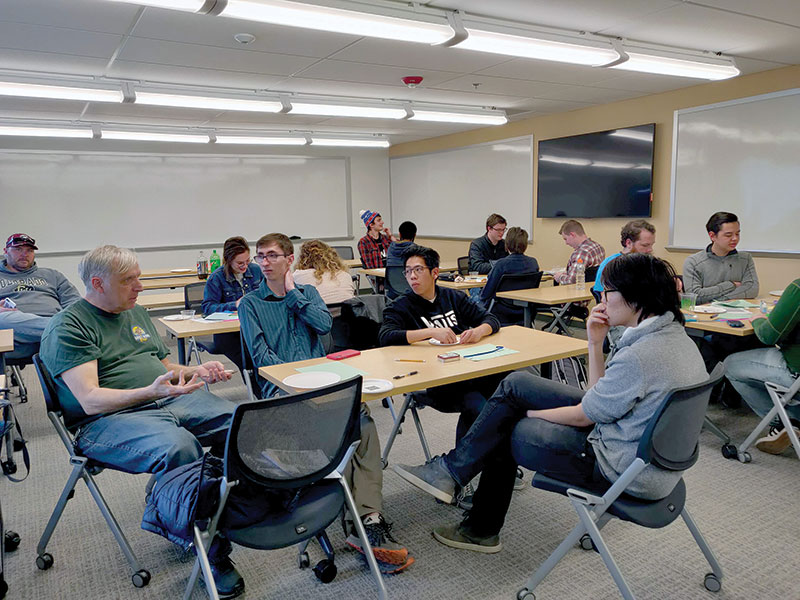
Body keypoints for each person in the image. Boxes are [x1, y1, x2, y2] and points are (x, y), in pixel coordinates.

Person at [394, 254, 707, 553]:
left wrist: (531, 413)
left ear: (634, 295)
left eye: (606, 292)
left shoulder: (639, 356)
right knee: (516, 383)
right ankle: (450, 472)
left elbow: (585, 415)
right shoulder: (676, 339)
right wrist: (595, 344)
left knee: (506, 423)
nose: (601, 300)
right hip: (645, 456)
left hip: (620, 467)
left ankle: (479, 527)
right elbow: (596, 395)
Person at [39, 245, 242, 598]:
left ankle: (182, 501)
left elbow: (164, 370)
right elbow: (89, 400)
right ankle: (210, 550)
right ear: (98, 283)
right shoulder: (68, 327)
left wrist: (193, 371)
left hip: (163, 399)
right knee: (181, 448)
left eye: (139, 278)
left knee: (237, 422)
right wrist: (151, 392)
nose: (140, 287)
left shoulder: (134, 312)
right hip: (106, 421)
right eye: (129, 280)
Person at [239, 233, 413, 574]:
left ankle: (368, 518)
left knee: (362, 424)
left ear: (290, 261)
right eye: (260, 256)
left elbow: (321, 326)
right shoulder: (249, 304)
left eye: (272, 255)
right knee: (342, 430)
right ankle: (359, 524)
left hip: (325, 387)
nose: (264, 262)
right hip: (284, 395)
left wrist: (292, 296)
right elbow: (263, 361)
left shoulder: (308, 294)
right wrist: (299, 387)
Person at [379, 244, 504, 447]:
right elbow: (386, 336)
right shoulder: (400, 306)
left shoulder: (453, 297)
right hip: (437, 382)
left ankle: (486, 460)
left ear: (435, 272)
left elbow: (491, 319)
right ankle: (463, 462)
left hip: (468, 370)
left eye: (418, 270)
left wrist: (478, 332)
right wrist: (429, 332)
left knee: (506, 393)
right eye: (408, 271)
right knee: (479, 406)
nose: (412, 276)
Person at [724, 278, 800, 455]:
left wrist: (758, 319)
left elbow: (768, 336)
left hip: (795, 372)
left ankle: (782, 421)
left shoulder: (797, 289)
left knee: (730, 364)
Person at [0, 233, 80, 359]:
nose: (24, 254)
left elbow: (74, 303)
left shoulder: (52, 275)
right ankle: (66, 331)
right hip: (15, 328)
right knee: (3, 320)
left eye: (29, 250)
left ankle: (60, 332)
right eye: (18, 249)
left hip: (52, 322)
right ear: (5, 251)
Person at [201, 236, 263, 370]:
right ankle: (260, 391)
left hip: (254, 327)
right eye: (240, 263)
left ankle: (273, 388)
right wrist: (234, 305)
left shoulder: (256, 270)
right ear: (228, 260)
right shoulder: (217, 278)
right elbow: (207, 307)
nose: (245, 266)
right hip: (229, 334)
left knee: (270, 352)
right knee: (250, 359)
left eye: (247, 260)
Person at [683, 211, 759, 304]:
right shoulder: (693, 262)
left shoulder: (745, 259)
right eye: (728, 235)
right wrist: (731, 285)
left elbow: (752, 289)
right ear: (712, 236)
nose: (735, 238)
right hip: (704, 316)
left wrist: (720, 300)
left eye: (737, 234)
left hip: (738, 314)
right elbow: (695, 296)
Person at [479, 227, 539, 324]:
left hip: (502, 311)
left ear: (507, 244)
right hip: (525, 310)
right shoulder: (533, 263)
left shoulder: (501, 264)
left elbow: (487, 292)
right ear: (525, 245)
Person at [593, 220, 655, 293]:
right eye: (645, 245)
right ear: (628, 243)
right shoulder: (611, 265)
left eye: (652, 245)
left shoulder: (648, 263)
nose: (650, 250)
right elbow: (604, 297)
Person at [293, 239, 356, 304]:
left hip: (318, 313)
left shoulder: (298, 276)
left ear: (302, 259)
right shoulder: (344, 275)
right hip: (346, 313)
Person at [553, 220, 605, 285]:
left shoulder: (581, 253)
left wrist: (559, 277)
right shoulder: (599, 247)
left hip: (579, 291)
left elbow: (572, 281)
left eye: (565, 239)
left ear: (572, 234)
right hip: (594, 290)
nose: (566, 243)